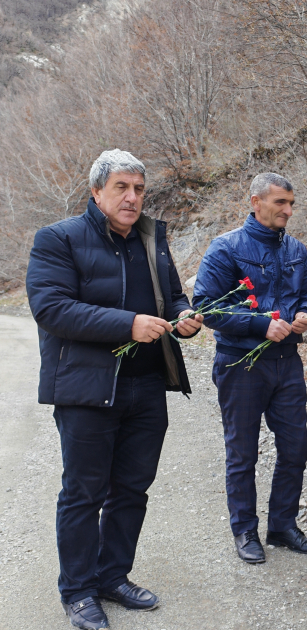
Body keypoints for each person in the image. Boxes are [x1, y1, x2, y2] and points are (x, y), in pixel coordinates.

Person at [26, 149, 203, 630]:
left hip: (146, 384)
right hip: (86, 391)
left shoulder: (151, 237)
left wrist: (185, 316)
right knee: (84, 493)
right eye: (122, 188)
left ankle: (112, 576)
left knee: (132, 488)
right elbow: (51, 309)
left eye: (139, 189)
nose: (132, 198)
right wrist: (128, 324)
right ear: (96, 192)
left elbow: (174, 293)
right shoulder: (58, 239)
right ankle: (79, 591)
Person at [193, 172, 307, 564]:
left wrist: (305, 315)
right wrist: (261, 324)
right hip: (240, 364)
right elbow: (207, 307)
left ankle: (282, 526)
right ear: (256, 201)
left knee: (296, 446)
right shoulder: (225, 248)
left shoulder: (297, 249)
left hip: (287, 363)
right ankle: (245, 530)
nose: (288, 210)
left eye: (291, 203)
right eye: (280, 202)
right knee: (242, 452)